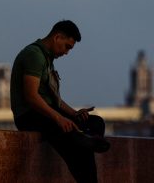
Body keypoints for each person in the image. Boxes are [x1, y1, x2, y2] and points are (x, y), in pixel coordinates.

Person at [10, 20, 110, 183]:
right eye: (67, 47)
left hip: (47, 112)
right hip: (30, 116)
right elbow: (31, 97)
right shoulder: (34, 55)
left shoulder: (47, 59)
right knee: (78, 149)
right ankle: (84, 140)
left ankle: (86, 139)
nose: (66, 52)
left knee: (96, 122)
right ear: (57, 37)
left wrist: (74, 114)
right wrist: (59, 118)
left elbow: (55, 100)